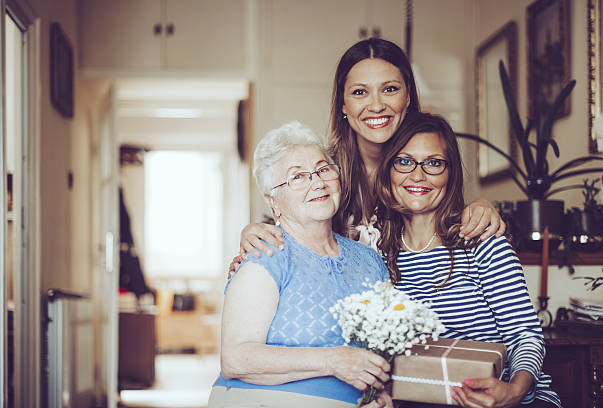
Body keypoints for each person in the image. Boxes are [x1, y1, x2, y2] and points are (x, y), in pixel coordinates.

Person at [235, 38, 504, 266]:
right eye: (360, 92)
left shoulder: (422, 173)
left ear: (408, 97)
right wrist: (254, 232)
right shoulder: (323, 171)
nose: (376, 105)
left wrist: (481, 206)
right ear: (343, 103)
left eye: (390, 89)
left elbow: (447, 224)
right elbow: (286, 227)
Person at [374, 112, 561, 408]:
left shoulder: (482, 243)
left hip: (510, 398)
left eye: (433, 163)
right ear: (388, 170)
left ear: (451, 174)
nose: (418, 175)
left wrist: (513, 392)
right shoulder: (375, 253)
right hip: (423, 397)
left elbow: (524, 335)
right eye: (404, 161)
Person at [209, 121, 393, 408]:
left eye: (323, 170)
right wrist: (332, 360)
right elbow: (235, 359)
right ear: (274, 201)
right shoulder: (266, 254)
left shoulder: (368, 259)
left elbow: (384, 348)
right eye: (297, 177)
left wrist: (382, 396)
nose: (317, 182)